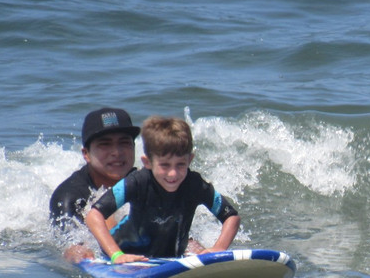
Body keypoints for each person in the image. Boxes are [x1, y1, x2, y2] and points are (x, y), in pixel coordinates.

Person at [84, 116, 240, 263]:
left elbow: (231, 217)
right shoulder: (137, 182)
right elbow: (93, 216)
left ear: (190, 160)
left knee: (195, 247)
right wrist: (116, 255)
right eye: (164, 165)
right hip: (124, 254)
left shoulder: (195, 185)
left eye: (180, 164)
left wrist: (219, 248)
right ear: (147, 162)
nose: (173, 173)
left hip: (168, 259)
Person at [49, 107, 140, 263]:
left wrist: (189, 241)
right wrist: (79, 253)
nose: (116, 152)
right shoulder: (68, 197)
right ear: (86, 154)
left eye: (124, 143)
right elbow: (68, 243)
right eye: (105, 144)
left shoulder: (148, 182)